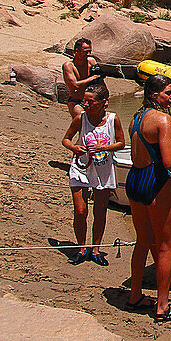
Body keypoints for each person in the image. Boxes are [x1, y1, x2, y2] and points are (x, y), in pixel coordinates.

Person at [125, 74, 171, 322]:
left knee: (142, 241)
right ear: (155, 95)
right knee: (166, 245)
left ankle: (135, 296)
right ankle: (162, 306)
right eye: (168, 93)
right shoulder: (163, 120)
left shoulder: (137, 117)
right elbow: (168, 162)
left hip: (134, 180)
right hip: (154, 181)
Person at [61, 82, 125, 265]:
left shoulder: (113, 119)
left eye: (90, 102)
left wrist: (104, 147)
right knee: (80, 211)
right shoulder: (81, 119)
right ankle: (82, 248)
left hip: (103, 169)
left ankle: (95, 249)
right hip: (81, 168)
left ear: (103, 103)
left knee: (100, 210)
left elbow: (121, 143)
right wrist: (74, 147)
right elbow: (65, 139)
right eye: (85, 102)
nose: (86, 105)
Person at [62, 38, 103, 118]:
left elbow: (99, 80)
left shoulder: (91, 61)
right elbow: (74, 85)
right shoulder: (69, 66)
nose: (88, 54)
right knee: (81, 121)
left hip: (92, 101)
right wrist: (92, 78)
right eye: (85, 52)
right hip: (76, 101)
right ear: (76, 51)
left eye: (89, 51)